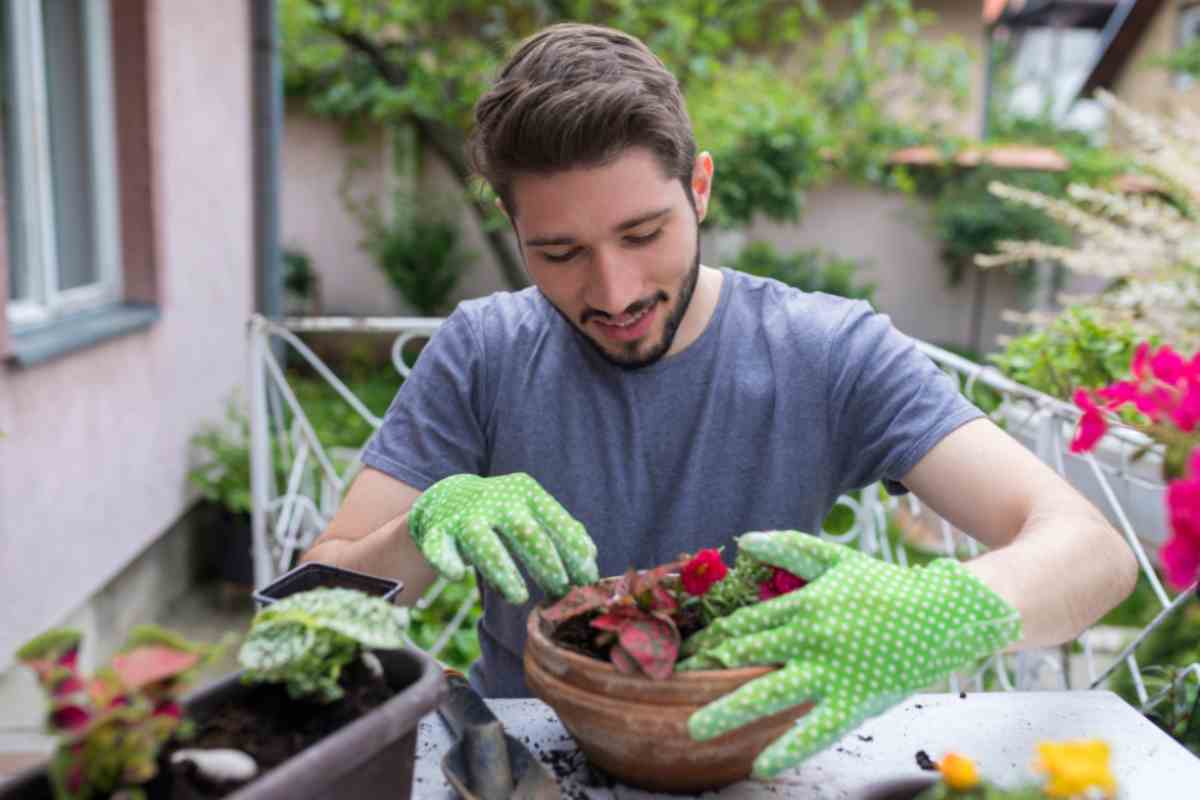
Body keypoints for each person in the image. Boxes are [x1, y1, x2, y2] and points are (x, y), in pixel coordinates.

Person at [301, 22, 1138, 778]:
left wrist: (948, 607)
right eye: (558, 252)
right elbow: (312, 610)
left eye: (643, 234)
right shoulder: (482, 352)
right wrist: (422, 524)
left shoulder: (829, 351)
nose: (614, 290)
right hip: (519, 759)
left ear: (699, 187)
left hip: (765, 758)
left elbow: (1094, 555)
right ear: (512, 228)